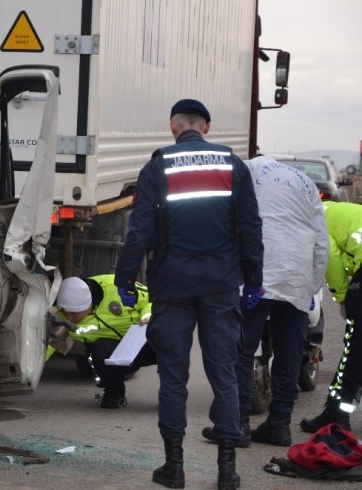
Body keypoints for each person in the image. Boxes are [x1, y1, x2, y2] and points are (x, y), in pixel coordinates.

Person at [115, 99, 264, 490]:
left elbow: (139, 230)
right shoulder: (233, 166)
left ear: (173, 127)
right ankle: (227, 472)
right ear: (207, 127)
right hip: (220, 285)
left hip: (173, 286)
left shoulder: (158, 165)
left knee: (174, 377)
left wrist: (125, 279)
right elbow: (250, 226)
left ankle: (174, 468)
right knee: (225, 374)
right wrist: (254, 279)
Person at [202, 155, 328, 448]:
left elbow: (226, 223)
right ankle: (279, 425)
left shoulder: (243, 171)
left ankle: (238, 425)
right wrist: (312, 286)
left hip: (258, 272)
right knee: (289, 353)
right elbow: (321, 241)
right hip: (297, 274)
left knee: (241, 350)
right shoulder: (306, 183)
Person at [300, 200, 362, 433]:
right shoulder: (341, 212)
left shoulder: (316, 218)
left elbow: (331, 258)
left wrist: (343, 296)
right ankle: (334, 410)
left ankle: (336, 414)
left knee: (354, 352)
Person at [50, 275, 156, 409]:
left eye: (75, 313)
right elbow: (49, 342)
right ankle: (114, 393)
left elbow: (152, 298)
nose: (69, 318)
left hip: (145, 343)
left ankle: (169, 393)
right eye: (66, 313)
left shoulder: (117, 287)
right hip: (113, 355)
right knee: (99, 350)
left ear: (89, 305)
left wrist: (147, 316)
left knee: (169, 341)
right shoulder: (61, 318)